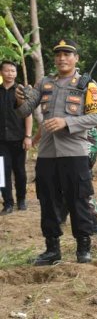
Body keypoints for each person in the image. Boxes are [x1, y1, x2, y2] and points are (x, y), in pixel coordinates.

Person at [15, 38, 97, 265]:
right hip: (47, 153)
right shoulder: (44, 83)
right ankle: (51, 249)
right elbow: (24, 110)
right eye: (58, 55)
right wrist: (19, 100)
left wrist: (67, 123)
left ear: (76, 59)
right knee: (48, 200)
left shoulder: (87, 85)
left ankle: (83, 248)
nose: (62, 58)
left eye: (67, 54)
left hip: (74, 152)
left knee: (78, 199)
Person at [0, 60, 33, 214]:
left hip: (19, 138)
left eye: (13, 71)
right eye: (7, 70)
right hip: (1, 141)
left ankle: (21, 199)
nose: (10, 73)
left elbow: (28, 114)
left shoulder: (21, 91)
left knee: (19, 171)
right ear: (1, 72)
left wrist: (28, 136)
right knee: (2, 172)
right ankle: (7, 203)